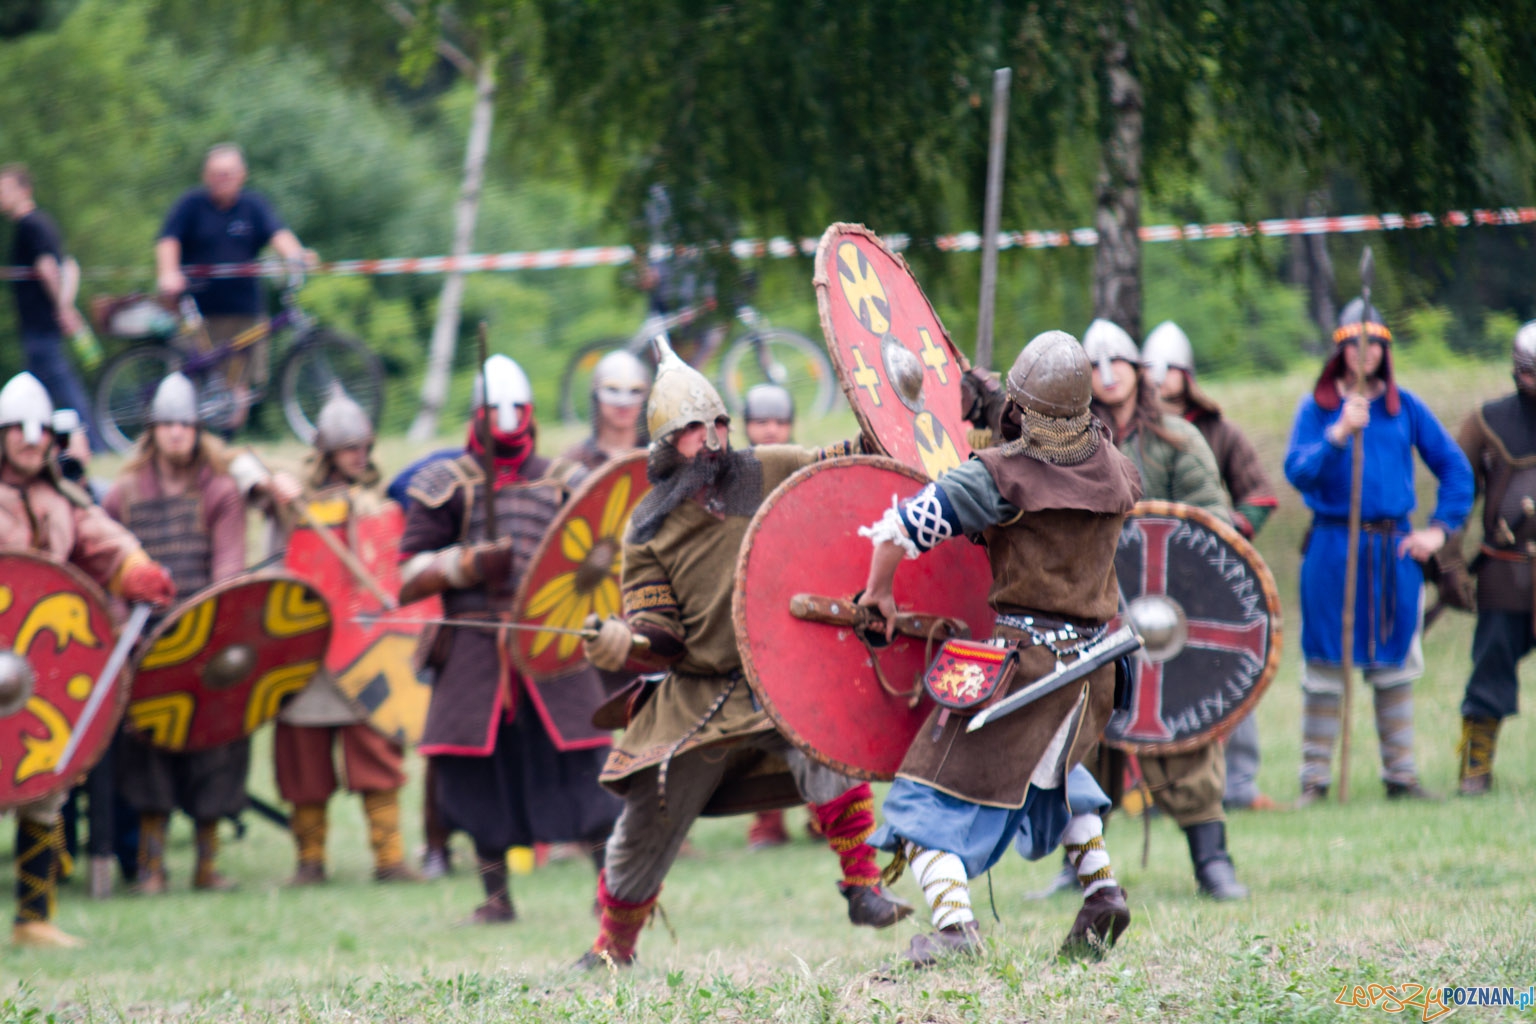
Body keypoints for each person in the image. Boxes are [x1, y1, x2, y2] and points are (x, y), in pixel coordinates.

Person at [575, 339, 909, 968]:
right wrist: (628, 643)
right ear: (666, 441)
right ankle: (612, 947)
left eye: (719, 422)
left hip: (781, 671)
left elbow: (839, 467)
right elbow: (662, 634)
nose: (714, 437)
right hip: (698, 695)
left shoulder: (764, 468)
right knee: (647, 820)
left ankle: (864, 888)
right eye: (695, 428)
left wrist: (890, 412)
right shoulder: (647, 528)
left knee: (823, 738)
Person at [856, 331, 1140, 965]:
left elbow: (902, 528)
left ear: (1023, 408)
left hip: (1026, 673)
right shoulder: (1116, 467)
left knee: (923, 791)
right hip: (1094, 672)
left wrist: (877, 594)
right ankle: (1101, 891)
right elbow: (1055, 461)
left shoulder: (996, 478)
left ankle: (955, 929)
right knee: (1056, 774)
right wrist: (991, 406)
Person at [397, 354, 620, 923]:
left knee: (586, 762)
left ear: (531, 414)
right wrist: (465, 565)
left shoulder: (566, 480)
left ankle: (608, 891)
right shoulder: (444, 485)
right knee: (477, 771)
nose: (506, 421)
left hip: (552, 640)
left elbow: (603, 551)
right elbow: (407, 574)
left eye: (515, 411)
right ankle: (496, 897)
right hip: (473, 643)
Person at [0, 371, 175, 946]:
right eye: (18, 431)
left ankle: (34, 917)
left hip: (35, 675)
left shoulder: (64, 501)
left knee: (45, 788)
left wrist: (135, 571)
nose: (30, 441)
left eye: (39, 432)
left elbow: (104, 544)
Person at [1084, 318, 1248, 900]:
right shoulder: (1072, 444)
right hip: (1094, 610)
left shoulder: (1177, 437)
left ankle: (1212, 862)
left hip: (1167, 615)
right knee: (1089, 735)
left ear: (1137, 368)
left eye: (1117, 362)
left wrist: (1184, 578)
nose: (1107, 375)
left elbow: (1213, 521)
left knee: (1184, 732)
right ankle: (1078, 866)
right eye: (1094, 365)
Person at [1284, 299, 1473, 804]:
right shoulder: (1318, 409)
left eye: (1374, 345)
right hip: (1332, 548)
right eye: (1354, 344)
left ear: (1384, 350)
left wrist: (1437, 532)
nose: (1364, 353)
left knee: (1394, 662)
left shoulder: (1404, 407)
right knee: (1325, 664)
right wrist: (1338, 434)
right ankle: (1315, 781)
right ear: (1341, 348)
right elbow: (1297, 471)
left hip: (1392, 551)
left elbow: (1456, 470)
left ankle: (1401, 776)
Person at [243, 393, 419, 883]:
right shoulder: (293, 499)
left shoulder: (383, 502)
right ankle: (309, 861)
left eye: (362, 447)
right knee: (303, 763)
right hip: (308, 649)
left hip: (365, 647)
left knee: (377, 753)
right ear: (325, 452)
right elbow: (239, 466)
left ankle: (390, 858)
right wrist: (268, 483)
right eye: (347, 449)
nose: (357, 457)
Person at [103, 373, 250, 894]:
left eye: (185, 424)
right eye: (166, 424)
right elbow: (112, 570)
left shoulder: (219, 491)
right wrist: (128, 634)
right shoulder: (123, 495)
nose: (176, 433)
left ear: (197, 429)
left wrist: (205, 628)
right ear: (153, 430)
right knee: (147, 754)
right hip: (146, 646)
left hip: (208, 641)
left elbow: (229, 571)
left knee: (219, 746)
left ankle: (207, 867)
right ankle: (151, 867)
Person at [1141, 321, 1280, 812]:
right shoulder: (1129, 433)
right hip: (1145, 583)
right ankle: (1148, 791)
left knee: (1230, 671)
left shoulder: (1218, 431)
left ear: (1187, 373)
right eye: (1153, 371)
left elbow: (1260, 494)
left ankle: (1239, 784)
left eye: (1171, 369)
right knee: (1150, 686)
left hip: (1208, 581)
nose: (1162, 380)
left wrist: (1225, 538)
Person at [154, 144, 309, 430]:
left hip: (244, 310)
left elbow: (279, 235)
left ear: (242, 175)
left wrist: (296, 256)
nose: (222, 179)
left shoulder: (254, 206)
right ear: (205, 176)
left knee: (240, 387)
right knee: (190, 381)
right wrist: (168, 273)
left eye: (228, 173)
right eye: (216, 174)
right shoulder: (190, 204)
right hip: (200, 311)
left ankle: (226, 442)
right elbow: (168, 240)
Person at [1450, 324, 1536, 795]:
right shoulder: (1486, 422)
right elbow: (1457, 494)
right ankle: (1475, 768)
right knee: (1491, 667)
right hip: (1506, 570)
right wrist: (1447, 558)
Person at [0, 165, 103, 452]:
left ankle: (93, 445)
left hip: (39, 324)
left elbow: (48, 269)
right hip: (41, 324)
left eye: (5, 188)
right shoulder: (42, 223)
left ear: (24, 190)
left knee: (62, 390)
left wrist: (62, 307)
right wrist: (66, 304)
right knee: (42, 390)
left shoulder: (30, 225)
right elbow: (70, 266)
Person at [740, 383, 799, 851]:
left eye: (778, 421)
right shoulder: (733, 480)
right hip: (752, 611)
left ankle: (828, 819)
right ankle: (768, 821)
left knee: (816, 712)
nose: (771, 429)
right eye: (762, 421)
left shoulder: (805, 468)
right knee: (760, 722)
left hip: (801, 605)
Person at [563, 349, 650, 470]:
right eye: (613, 389)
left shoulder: (657, 457)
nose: (623, 403)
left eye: (635, 391)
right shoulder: (573, 461)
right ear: (596, 396)